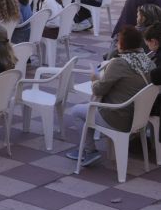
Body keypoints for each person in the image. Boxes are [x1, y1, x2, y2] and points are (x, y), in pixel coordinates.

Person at [66, 26, 154, 167]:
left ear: (122, 44)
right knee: (90, 108)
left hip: (118, 117)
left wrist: (94, 78)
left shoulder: (120, 63)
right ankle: (88, 148)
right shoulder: (148, 61)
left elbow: (99, 90)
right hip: (140, 117)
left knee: (77, 111)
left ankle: (90, 151)